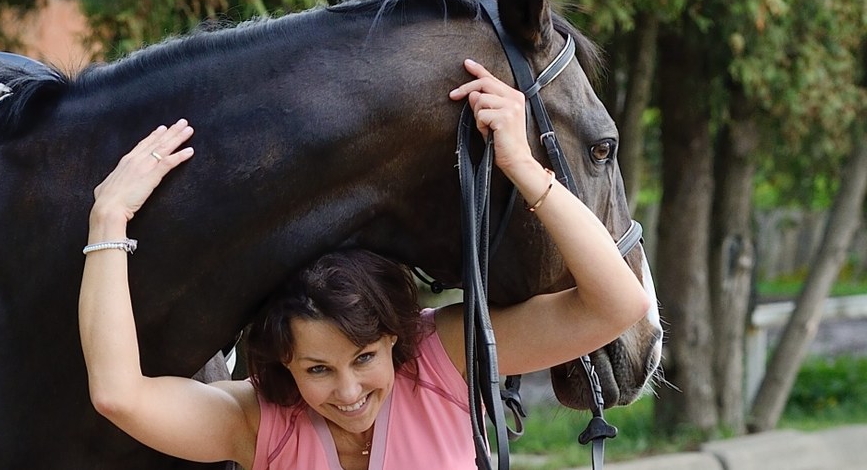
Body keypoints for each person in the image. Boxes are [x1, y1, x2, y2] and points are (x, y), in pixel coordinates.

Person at [78, 59, 651, 469]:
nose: (348, 390)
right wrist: (108, 219)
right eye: (317, 369)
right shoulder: (259, 424)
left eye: (365, 357)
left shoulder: (438, 362)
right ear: (284, 364)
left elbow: (617, 306)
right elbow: (118, 395)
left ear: (394, 340)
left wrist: (523, 168)